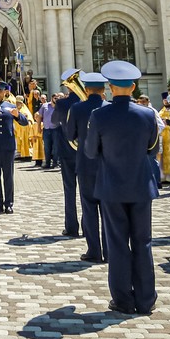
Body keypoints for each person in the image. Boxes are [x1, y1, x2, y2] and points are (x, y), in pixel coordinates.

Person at [85, 60, 160, 315]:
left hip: (112, 187)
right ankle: (146, 299)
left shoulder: (99, 115)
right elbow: (153, 148)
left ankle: (123, 300)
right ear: (134, 87)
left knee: (117, 243)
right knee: (143, 242)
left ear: (109, 87)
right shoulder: (147, 114)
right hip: (141, 185)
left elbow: (91, 152)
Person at [63, 70, 108, 262]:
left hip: (85, 163)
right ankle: (110, 251)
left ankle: (94, 251)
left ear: (86, 89)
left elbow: (69, 135)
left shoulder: (77, 109)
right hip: (108, 165)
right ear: (104, 89)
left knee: (89, 209)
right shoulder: (110, 107)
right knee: (108, 210)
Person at [52, 71, 80, 236]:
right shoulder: (86, 102)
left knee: (69, 190)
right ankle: (88, 226)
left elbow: (54, 121)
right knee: (87, 191)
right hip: (86, 151)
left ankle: (71, 227)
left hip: (67, 150)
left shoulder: (63, 104)